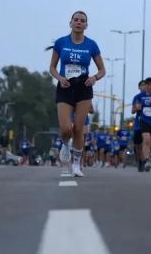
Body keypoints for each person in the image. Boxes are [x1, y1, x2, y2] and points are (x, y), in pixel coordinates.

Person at [49, 11, 106, 177]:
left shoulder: (92, 45)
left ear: (86, 25)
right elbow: (52, 67)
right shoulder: (61, 43)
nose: (79, 23)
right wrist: (59, 78)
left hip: (84, 88)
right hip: (65, 87)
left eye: (82, 21)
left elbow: (102, 70)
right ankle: (65, 145)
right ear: (70, 23)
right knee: (66, 129)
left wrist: (94, 78)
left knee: (79, 129)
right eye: (76, 20)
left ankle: (76, 165)